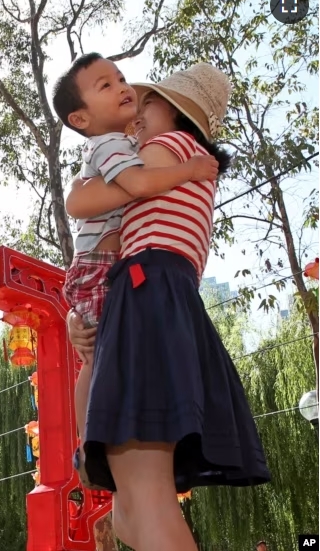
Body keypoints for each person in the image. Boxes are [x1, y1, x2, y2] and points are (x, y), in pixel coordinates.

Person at [65, 62, 271, 550]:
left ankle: (92, 456)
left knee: (144, 491)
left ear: (177, 114)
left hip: (146, 291)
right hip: (150, 292)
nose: (136, 114)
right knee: (134, 502)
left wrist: (78, 190)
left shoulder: (170, 149)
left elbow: (104, 196)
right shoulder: (187, 164)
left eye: (147, 104)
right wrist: (90, 314)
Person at [51, 52, 219, 488]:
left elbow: (87, 198)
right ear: (81, 116)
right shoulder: (116, 148)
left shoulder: (140, 147)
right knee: (97, 356)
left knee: (99, 354)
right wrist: (191, 171)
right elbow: (136, 186)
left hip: (107, 266)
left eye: (122, 79)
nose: (128, 92)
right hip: (101, 266)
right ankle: (90, 440)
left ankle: (93, 439)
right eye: (106, 85)